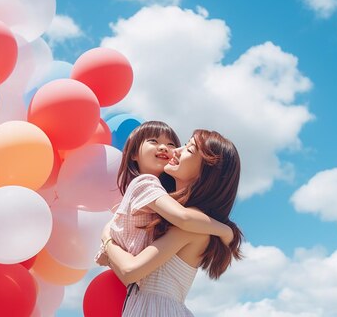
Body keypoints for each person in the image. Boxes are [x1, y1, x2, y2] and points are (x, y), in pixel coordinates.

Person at [98, 129, 243, 316]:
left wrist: (107, 237)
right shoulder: (195, 223)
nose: (176, 151)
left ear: (206, 172)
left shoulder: (190, 226)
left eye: (189, 149)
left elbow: (130, 271)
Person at [95, 121, 233, 264]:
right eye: (153, 141)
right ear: (134, 154)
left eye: (171, 144)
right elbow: (184, 218)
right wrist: (225, 230)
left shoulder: (167, 196)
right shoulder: (145, 183)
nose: (164, 148)